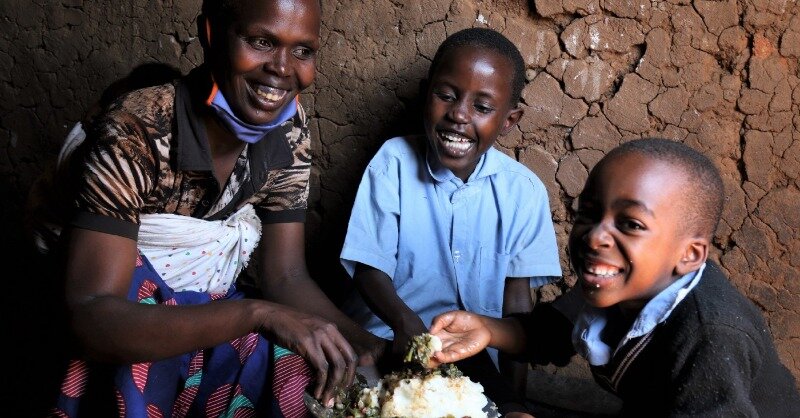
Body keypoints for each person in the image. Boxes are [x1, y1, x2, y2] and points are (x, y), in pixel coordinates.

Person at [28, 0, 386, 416]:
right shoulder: (137, 131)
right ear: (211, 34)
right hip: (125, 321)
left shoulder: (288, 130)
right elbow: (93, 317)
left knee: (316, 379)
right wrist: (257, 313)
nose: (283, 68)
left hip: (213, 306)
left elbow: (285, 275)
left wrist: (367, 344)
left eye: (303, 50)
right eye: (261, 41)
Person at [429, 138, 800, 417]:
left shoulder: (709, 333)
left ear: (689, 255)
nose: (595, 236)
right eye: (588, 213)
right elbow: (549, 334)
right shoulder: (619, 284)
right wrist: (487, 330)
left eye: (631, 224)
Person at [339, 28, 562, 416]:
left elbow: (517, 307)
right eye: (447, 95)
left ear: (510, 119)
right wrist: (404, 322)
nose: (459, 114)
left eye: (482, 106)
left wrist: (513, 401)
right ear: (427, 93)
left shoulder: (524, 192)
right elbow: (369, 267)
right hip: (385, 338)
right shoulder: (393, 162)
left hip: (467, 358)